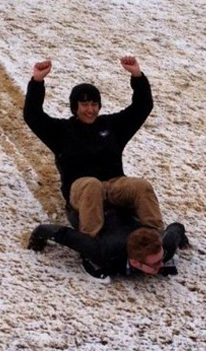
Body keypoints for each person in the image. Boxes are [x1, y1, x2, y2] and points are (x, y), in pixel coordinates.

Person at [23, 56, 163, 237]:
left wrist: (136, 75)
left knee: (140, 186)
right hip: (80, 190)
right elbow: (32, 115)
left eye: (94, 104)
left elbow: (142, 106)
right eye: (85, 104)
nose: (90, 109)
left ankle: (154, 238)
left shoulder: (111, 126)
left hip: (114, 185)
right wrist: (37, 81)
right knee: (92, 185)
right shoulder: (61, 131)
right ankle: (91, 240)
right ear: (75, 107)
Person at [28, 208, 189, 282]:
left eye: (161, 259)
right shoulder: (103, 254)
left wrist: (182, 240)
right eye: (155, 263)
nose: (162, 263)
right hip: (87, 208)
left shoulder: (164, 249)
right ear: (134, 261)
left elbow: (176, 227)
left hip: (120, 208)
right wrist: (37, 239)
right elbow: (64, 234)